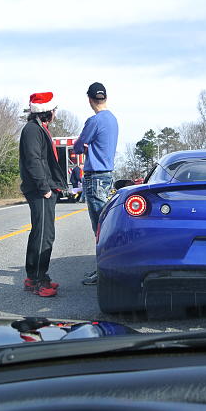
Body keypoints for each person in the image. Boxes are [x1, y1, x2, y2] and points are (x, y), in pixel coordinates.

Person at [19, 92, 67, 297]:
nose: (55, 113)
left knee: (41, 232)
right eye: (54, 110)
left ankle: (33, 277)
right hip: (41, 190)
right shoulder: (32, 130)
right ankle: (39, 280)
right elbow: (33, 160)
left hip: (44, 188)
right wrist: (44, 187)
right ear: (47, 111)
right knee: (44, 235)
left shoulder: (39, 128)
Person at [74, 82, 119, 285]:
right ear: (106, 98)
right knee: (106, 224)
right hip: (107, 175)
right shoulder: (113, 120)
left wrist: (84, 147)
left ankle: (104, 272)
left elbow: (76, 146)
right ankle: (108, 268)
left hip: (95, 177)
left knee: (99, 228)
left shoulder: (94, 120)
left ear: (90, 100)